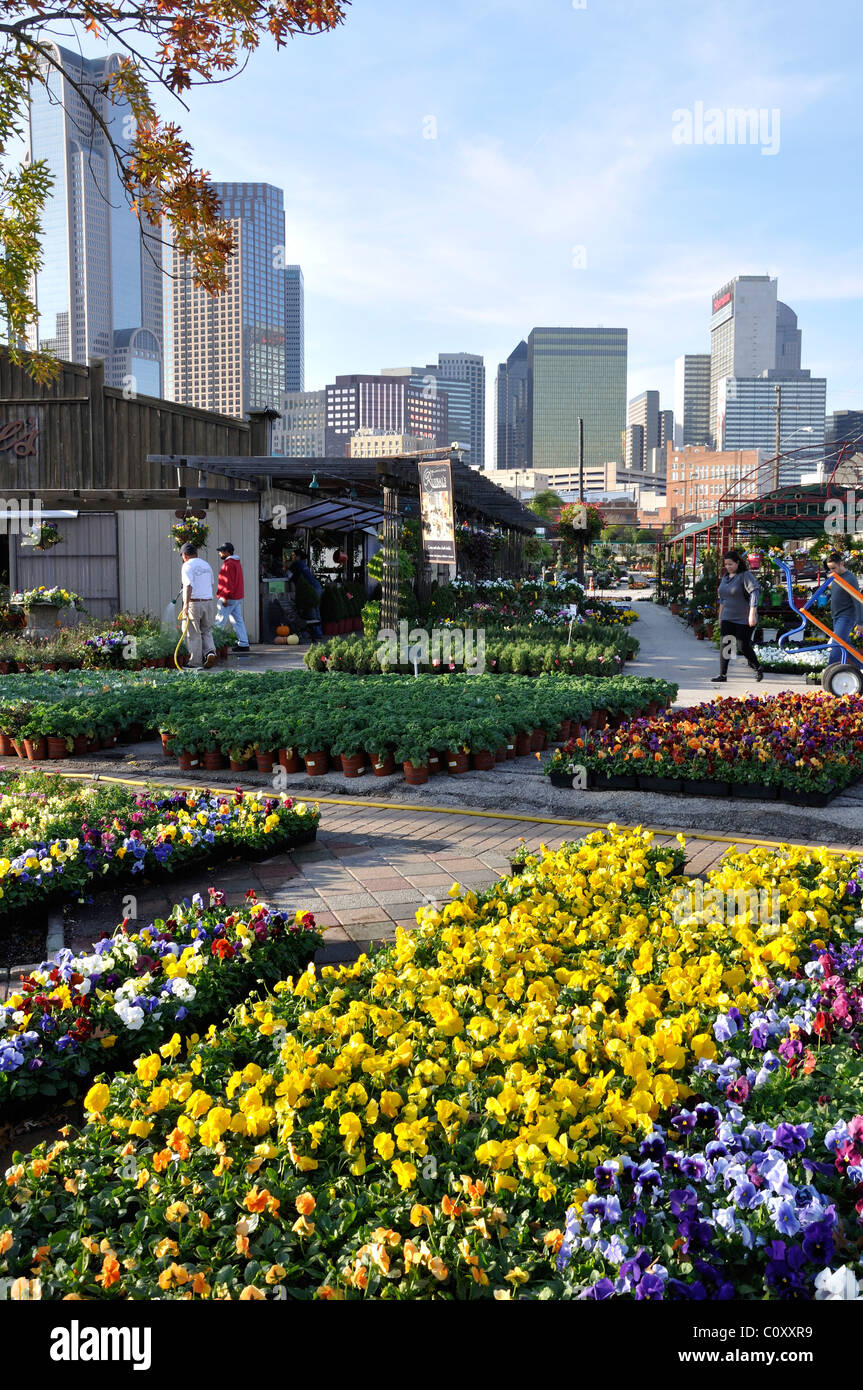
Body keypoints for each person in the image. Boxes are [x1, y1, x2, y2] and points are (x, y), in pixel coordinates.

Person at [711, 549, 763, 683]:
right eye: (726, 565)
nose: (728, 567)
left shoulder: (745, 575)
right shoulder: (725, 578)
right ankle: (723, 675)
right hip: (728, 616)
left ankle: (758, 667)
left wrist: (752, 614)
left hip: (744, 618)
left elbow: (754, 593)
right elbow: (722, 599)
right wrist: (720, 616)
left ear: (738, 563)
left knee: (742, 646)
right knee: (726, 645)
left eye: (731, 564)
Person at [179, 542, 216, 669]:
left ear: (184, 555)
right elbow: (210, 584)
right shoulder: (206, 565)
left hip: (194, 603)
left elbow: (188, 585)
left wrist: (186, 605)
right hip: (208, 601)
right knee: (207, 630)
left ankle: (195, 663)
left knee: (193, 633)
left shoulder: (186, 566)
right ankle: (210, 652)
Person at [826, 551, 863, 668]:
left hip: (846, 617)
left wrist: (860, 622)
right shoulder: (835, 577)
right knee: (845, 645)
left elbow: (857, 601)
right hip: (837, 617)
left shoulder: (850, 578)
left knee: (837, 645)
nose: (832, 571)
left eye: (834, 568)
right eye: (830, 569)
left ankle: (830, 671)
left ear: (842, 563)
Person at [214, 541, 250, 652]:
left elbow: (227, 582)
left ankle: (213, 645)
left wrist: (224, 596)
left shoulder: (228, 564)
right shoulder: (236, 562)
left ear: (226, 552)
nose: (219, 553)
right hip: (237, 597)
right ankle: (244, 643)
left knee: (219, 621)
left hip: (229, 597)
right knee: (237, 620)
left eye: (221, 551)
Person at [288, 546, 323, 640]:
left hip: (312, 588)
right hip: (317, 587)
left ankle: (316, 633)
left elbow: (288, 575)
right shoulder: (304, 563)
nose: (292, 557)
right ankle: (319, 632)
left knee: (312, 611)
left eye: (294, 555)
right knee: (316, 609)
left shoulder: (297, 564)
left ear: (298, 556)